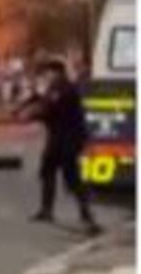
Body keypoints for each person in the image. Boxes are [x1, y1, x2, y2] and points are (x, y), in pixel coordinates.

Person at [15, 59, 99, 234]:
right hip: (58, 138)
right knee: (47, 171)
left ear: (56, 72)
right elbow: (40, 101)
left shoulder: (64, 88)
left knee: (72, 178)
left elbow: (49, 109)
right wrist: (23, 107)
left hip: (69, 139)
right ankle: (47, 210)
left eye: (47, 73)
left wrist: (28, 116)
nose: (45, 77)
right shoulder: (54, 88)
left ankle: (87, 216)